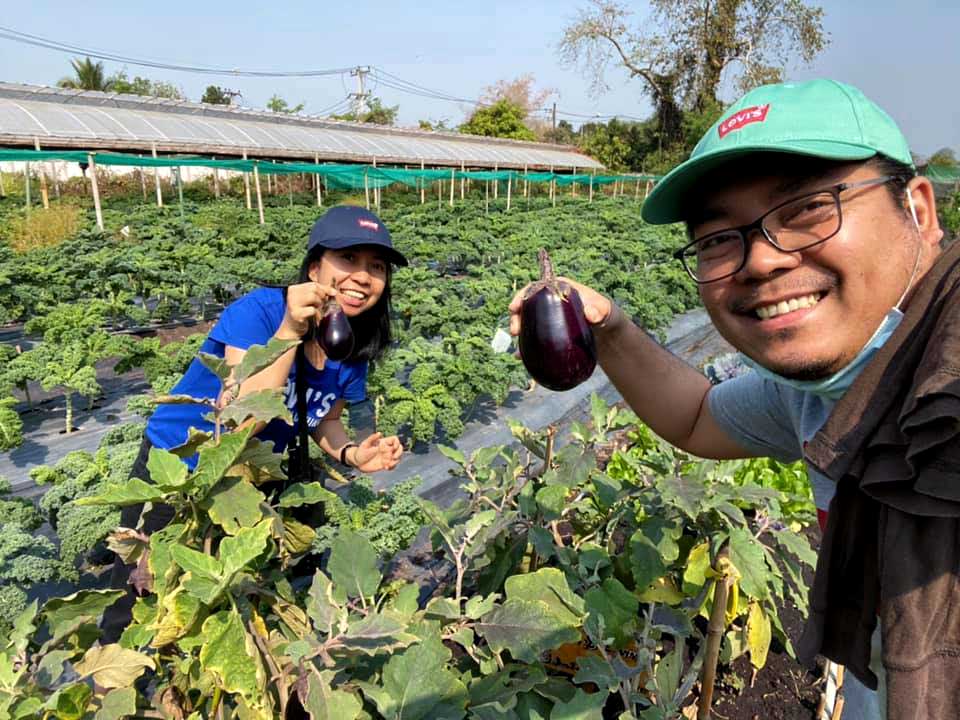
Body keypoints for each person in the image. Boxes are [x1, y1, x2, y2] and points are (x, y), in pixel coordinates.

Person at [510, 79, 957, 720]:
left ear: (918, 210)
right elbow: (696, 416)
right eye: (719, 238)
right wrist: (606, 326)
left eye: (806, 208)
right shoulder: (816, 395)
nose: (760, 262)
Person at [102, 204, 406, 642]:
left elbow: (325, 419)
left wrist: (355, 453)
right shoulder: (261, 312)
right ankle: (114, 693)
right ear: (314, 267)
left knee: (231, 593)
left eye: (376, 266)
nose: (363, 276)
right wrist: (288, 331)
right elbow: (244, 417)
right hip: (180, 467)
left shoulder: (350, 345)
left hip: (254, 475)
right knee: (139, 589)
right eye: (348, 260)